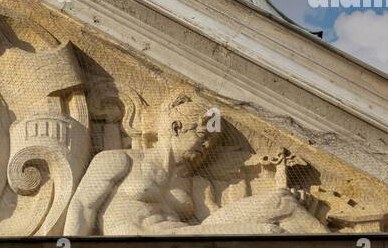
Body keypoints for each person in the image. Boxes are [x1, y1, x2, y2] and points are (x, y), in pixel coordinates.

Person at [65, 91, 326, 236]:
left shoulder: (196, 183)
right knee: (271, 234)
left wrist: (274, 197)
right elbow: (82, 206)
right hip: (137, 244)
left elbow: (214, 221)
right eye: (203, 138)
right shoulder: (118, 159)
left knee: (282, 203)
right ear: (177, 127)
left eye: (211, 145)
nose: (205, 148)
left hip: (184, 239)